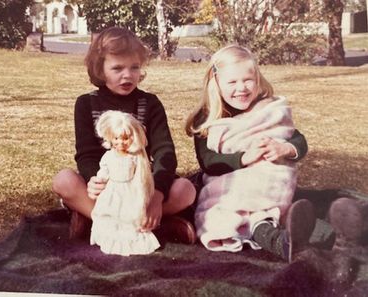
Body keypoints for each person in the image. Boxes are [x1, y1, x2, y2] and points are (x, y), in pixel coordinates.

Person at [52, 27, 196, 245]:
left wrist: (157, 195)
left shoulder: (150, 103)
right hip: (107, 186)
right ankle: (144, 225)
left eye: (134, 67)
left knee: (186, 190)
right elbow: (87, 154)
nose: (127, 75)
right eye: (117, 68)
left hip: (139, 185)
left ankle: (109, 221)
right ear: (100, 70)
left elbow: (164, 151)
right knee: (63, 181)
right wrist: (93, 180)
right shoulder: (85, 103)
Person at [185, 44, 316, 262]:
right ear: (215, 83)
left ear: (257, 78)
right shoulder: (207, 118)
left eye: (248, 80)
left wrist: (285, 148)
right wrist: (243, 158)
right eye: (232, 82)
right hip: (230, 183)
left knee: (270, 212)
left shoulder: (265, 109)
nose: (242, 88)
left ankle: (326, 230)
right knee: (237, 216)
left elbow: (297, 139)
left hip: (269, 181)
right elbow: (208, 162)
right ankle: (280, 241)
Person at [90, 110, 160, 256]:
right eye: (116, 138)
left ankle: (131, 239)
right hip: (112, 191)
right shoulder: (109, 156)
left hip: (130, 191)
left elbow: (140, 176)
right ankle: (110, 237)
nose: (120, 142)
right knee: (111, 214)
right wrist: (100, 179)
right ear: (110, 138)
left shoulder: (135, 158)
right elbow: (104, 170)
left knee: (129, 216)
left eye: (125, 138)